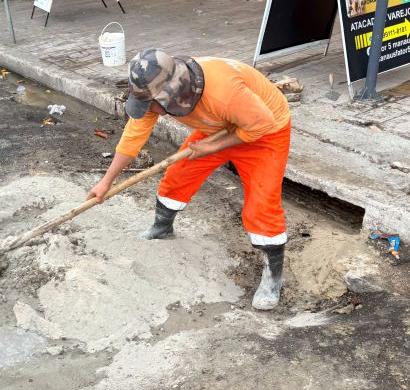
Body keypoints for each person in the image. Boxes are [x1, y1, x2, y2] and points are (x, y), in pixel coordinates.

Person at [87, 49, 292, 310]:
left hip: (265, 131)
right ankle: (162, 228)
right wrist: (106, 182)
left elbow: (262, 124)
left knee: (261, 206)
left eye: (150, 105)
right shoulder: (151, 93)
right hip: (219, 127)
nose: (147, 110)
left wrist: (211, 147)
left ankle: (273, 279)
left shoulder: (224, 92)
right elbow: (132, 139)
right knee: (177, 176)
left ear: (171, 95)